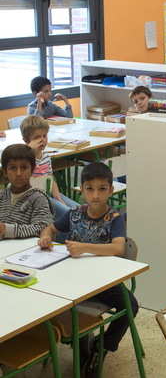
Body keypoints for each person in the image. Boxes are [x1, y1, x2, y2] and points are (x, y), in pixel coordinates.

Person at [38, 162, 138, 376]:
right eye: (90, 189)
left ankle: (102, 347)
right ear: (81, 190)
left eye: (102, 189)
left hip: (104, 282)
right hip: (74, 282)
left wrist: (84, 248)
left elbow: (118, 247)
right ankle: (81, 343)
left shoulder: (114, 218)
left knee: (131, 305)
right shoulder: (75, 213)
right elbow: (51, 228)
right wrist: (46, 236)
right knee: (59, 304)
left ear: (111, 190)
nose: (95, 195)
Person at [20, 116, 79, 220]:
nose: (42, 140)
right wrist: (29, 150)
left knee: (78, 209)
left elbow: (50, 178)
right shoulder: (24, 159)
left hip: (48, 194)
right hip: (35, 199)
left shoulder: (46, 157)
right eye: (37, 137)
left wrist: (58, 198)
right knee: (67, 214)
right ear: (26, 140)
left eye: (44, 136)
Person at [0, 144, 53, 239]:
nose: (19, 173)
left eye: (24, 168)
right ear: (5, 172)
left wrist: (7, 230)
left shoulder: (38, 198)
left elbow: (42, 228)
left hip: (24, 250)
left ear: (32, 170)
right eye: (13, 168)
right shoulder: (2, 196)